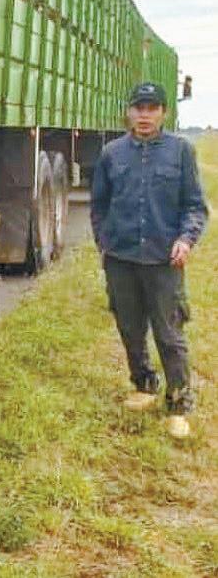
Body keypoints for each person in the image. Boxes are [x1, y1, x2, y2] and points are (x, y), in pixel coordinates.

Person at [91, 82, 208, 439]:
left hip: (163, 260)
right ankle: (144, 385)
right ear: (129, 112)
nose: (144, 115)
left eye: (152, 108)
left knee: (169, 333)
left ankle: (179, 403)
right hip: (121, 258)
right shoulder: (111, 153)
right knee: (129, 327)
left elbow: (195, 206)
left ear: (163, 113)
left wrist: (186, 239)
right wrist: (104, 243)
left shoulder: (181, 151)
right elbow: (99, 205)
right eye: (138, 108)